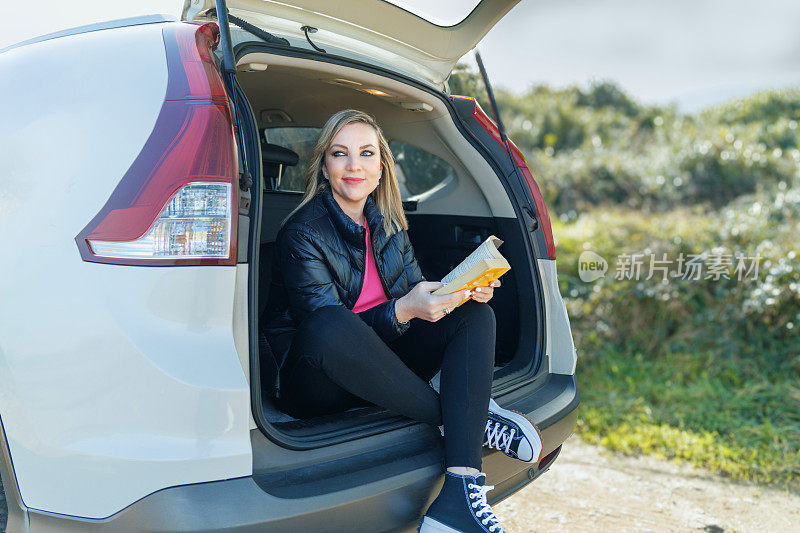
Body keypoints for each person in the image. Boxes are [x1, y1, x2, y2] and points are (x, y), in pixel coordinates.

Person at [261, 109, 543, 533]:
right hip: (313, 381)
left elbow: (413, 296)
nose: (354, 165)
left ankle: (458, 499)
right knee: (331, 323)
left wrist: (458, 294)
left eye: (366, 154)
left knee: (475, 313)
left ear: (381, 168)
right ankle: (468, 418)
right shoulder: (301, 233)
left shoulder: (390, 226)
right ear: (324, 167)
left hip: (384, 368)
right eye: (340, 154)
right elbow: (327, 334)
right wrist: (404, 310)